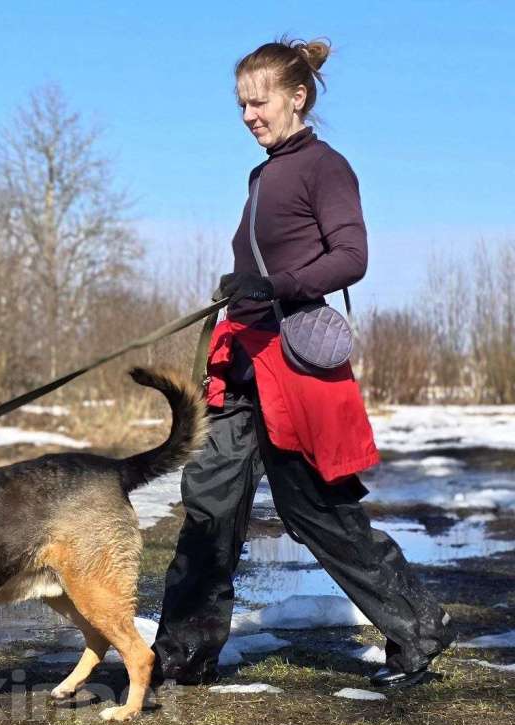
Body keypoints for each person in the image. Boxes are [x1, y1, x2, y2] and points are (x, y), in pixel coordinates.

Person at [151, 37, 453, 690]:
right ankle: (181, 656)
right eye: (241, 104)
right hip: (241, 364)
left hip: (294, 370)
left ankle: (417, 627)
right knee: (209, 502)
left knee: (317, 514)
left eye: (259, 101)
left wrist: (275, 284)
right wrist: (241, 289)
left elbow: (352, 256)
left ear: (297, 96)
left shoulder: (325, 167)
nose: (249, 114)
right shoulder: (262, 174)